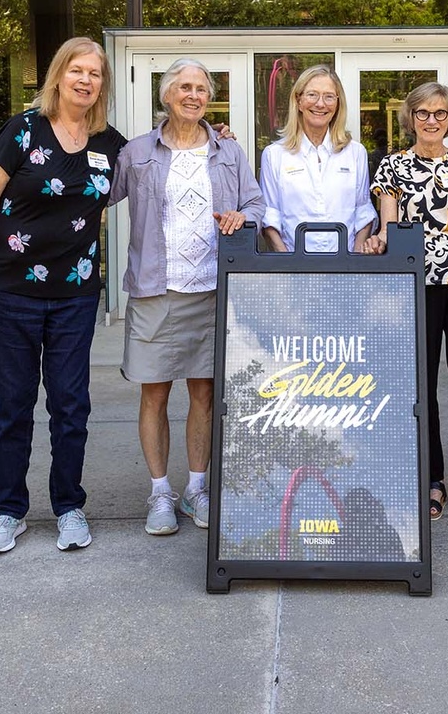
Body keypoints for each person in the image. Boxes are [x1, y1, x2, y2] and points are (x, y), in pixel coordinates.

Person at [0, 37, 126, 555]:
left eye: (95, 74)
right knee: (12, 407)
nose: (85, 80)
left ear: (103, 85)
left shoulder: (110, 144)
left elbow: (165, 158)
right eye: (77, 70)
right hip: (10, 294)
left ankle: (69, 507)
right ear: (58, 76)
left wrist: (215, 133)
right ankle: (9, 511)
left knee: (71, 406)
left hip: (75, 297)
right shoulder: (22, 130)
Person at [111, 58, 265, 536]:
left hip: (213, 291)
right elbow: (92, 195)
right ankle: (160, 493)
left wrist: (242, 218)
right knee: (154, 392)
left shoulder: (229, 152)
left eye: (201, 87)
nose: (193, 95)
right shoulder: (136, 152)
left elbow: (255, 203)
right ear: (166, 94)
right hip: (155, 290)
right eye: (184, 86)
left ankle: (197, 488)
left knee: (205, 392)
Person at [363, 83, 448, 524]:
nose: (432, 120)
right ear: (411, 117)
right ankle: (433, 480)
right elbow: (389, 229)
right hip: (412, 290)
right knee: (420, 390)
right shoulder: (392, 168)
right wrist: (377, 240)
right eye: (423, 113)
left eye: (440, 113)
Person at [260, 65, 376, 254]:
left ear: (338, 103)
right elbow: (270, 217)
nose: (320, 104)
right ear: (298, 100)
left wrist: (354, 262)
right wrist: (288, 265)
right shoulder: (274, 154)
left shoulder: (356, 153)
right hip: (293, 268)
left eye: (329, 96)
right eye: (312, 95)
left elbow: (363, 212)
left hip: (345, 267)